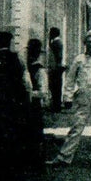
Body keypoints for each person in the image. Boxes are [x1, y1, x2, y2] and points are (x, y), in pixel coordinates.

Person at [47, 29, 91, 168]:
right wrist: (67, 97)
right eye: (88, 42)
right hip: (83, 95)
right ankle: (64, 157)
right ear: (85, 44)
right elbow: (70, 79)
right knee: (77, 126)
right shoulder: (79, 60)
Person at [0, 30, 32, 181]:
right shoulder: (18, 59)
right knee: (15, 133)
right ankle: (14, 169)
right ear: (9, 43)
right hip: (16, 103)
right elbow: (26, 82)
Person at [25, 38, 50, 168]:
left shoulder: (40, 70)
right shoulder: (26, 67)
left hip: (35, 106)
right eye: (30, 51)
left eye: (33, 52)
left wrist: (28, 94)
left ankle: (37, 161)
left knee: (36, 133)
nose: (30, 54)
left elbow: (43, 92)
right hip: (25, 106)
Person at [47, 27, 65, 112]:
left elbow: (56, 56)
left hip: (55, 68)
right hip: (57, 67)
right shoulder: (58, 42)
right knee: (56, 87)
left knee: (55, 87)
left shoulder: (56, 43)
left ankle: (56, 105)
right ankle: (56, 104)